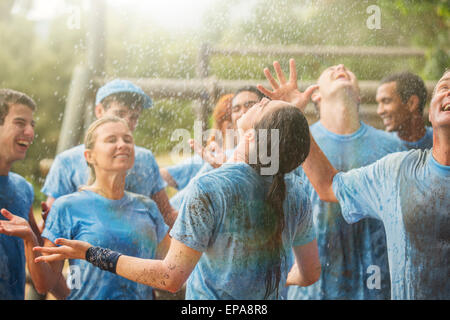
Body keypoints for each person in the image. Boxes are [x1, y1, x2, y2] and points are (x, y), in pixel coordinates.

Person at [34, 98, 322, 300]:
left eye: (264, 106)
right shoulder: (295, 193)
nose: (260, 101)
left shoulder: (210, 186)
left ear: (257, 136)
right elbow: (309, 274)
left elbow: (169, 278)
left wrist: (92, 253)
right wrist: (260, 277)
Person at [285, 68, 450, 299]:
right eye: (443, 87)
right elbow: (326, 186)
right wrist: (293, 117)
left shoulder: (392, 148)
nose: (341, 69)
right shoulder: (395, 169)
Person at [257, 59, 405, 299]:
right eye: (331, 70)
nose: (340, 68)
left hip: (377, 288)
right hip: (312, 290)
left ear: (358, 96)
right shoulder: (290, 145)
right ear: (315, 96)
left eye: (347, 70)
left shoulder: (394, 148)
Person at [2, 116, 170, 299]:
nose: (122, 144)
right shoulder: (67, 207)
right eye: (111, 140)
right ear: (89, 156)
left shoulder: (148, 208)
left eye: (127, 140)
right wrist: (30, 239)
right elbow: (44, 284)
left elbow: (171, 270)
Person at [42, 79, 177, 227]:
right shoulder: (67, 161)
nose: (126, 122)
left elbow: (167, 214)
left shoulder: (145, 159)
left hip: (140, 243)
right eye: (119, 113)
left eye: (134, 117)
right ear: (99, 111)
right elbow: (52, 221)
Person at [0, 89, 66, 299]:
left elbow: (41, 264)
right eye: (20, 123)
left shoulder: (23, 188)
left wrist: (53, 230)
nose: (30, 132)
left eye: (32, 125)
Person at [160, 93, 234, 190]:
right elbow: (164, 174)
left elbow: (165, 175)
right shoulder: (206, 157)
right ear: (227, 125)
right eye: (237, 110)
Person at [376, 72, 432, 150]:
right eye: (379, 103)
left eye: (386, 101)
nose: (379, 111)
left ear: (411, 103)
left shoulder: (443, 139)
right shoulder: (380, 149)